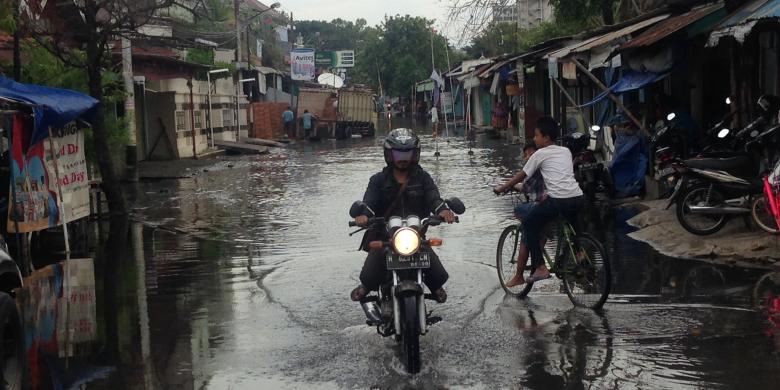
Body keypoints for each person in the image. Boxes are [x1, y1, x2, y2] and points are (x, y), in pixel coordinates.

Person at [351, 128, 456, 303]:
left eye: (407, 154)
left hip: (415, 235)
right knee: (370, 274)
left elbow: (433, 198)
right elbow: (369, 203)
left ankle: (434, 287)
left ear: (415, 155)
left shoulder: (422, 177)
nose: (403, 159)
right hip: (386, 235)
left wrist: (443, 211)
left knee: (436, 275)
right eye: (399, 154)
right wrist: (363, 216)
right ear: (390, 155)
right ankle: (366, 288)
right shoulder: (378, 180)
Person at [494, 117, 584, 283]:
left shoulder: (540, 154)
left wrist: (503, 187)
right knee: (573, 223)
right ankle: (580, 253)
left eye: (536, 135)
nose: (534, 139)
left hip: (557, 200)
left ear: (547, 137)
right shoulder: (565, 151)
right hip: (577, 196)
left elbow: (522, 175)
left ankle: (540, 267)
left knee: (528, 223)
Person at [505, 143, 547, 287]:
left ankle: (519, 276)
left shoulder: (535, 168)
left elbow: (525, 187)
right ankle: (537, 261)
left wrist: (510, 185)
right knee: (541, 230)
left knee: (524, 224)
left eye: (530, 153)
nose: (527, 157)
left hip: (542, 205)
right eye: (525, 154)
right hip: (558, 202)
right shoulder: (548, 164)